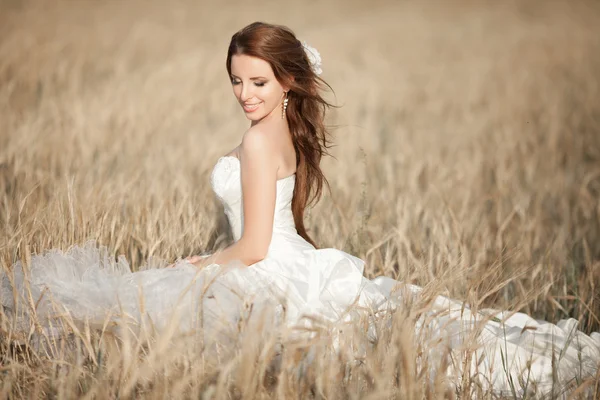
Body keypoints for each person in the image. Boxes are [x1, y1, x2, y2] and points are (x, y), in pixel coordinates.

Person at [2, 22, 599, 397]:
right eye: (236, 81)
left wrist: (202, 263)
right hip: (291, 257)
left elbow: (255, 246)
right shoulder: (285, 126)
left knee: (130, 310)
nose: (245, 95)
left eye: (258, 82)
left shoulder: (261, 140)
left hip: (270, 264)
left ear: (287, 81)